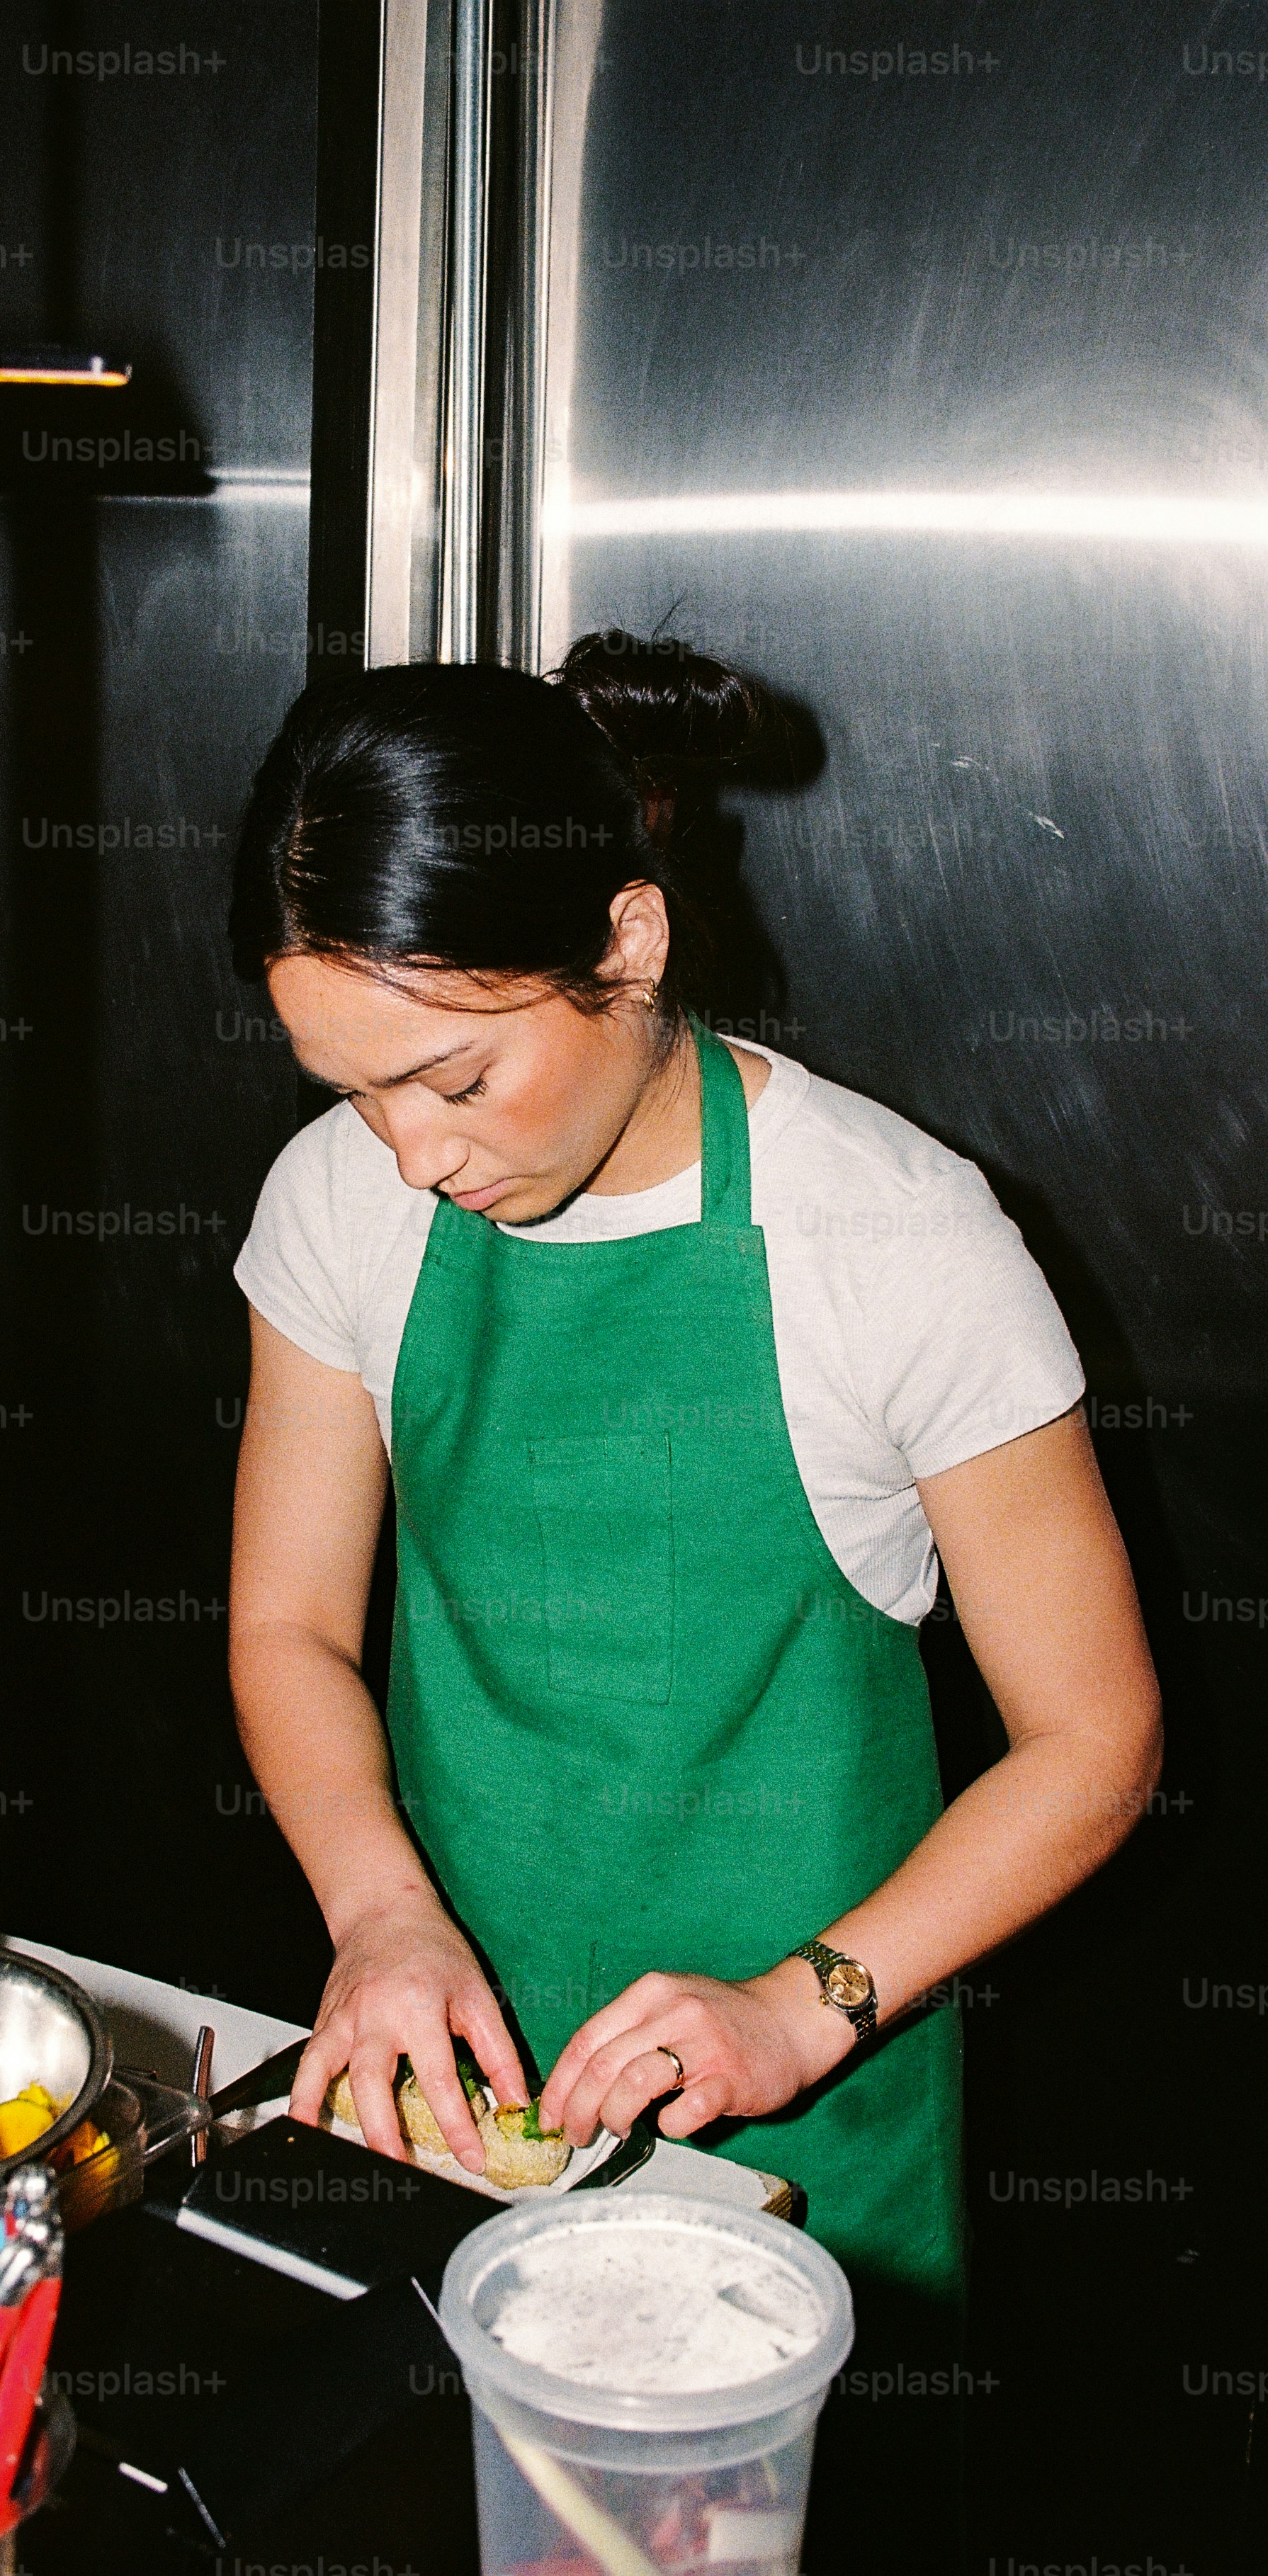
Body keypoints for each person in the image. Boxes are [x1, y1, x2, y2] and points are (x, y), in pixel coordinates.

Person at [222, 634, 1160, 2559]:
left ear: (629, 947)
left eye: (453, 1075)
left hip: (802, 2151)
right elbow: (285, 1629)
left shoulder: (891, 1240)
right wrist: (380, 1914)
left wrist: (804, 2010)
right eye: (348, 1085)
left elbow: (1097, 1740)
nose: (409, 1152)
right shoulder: (344, 1200)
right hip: (450, 2118)